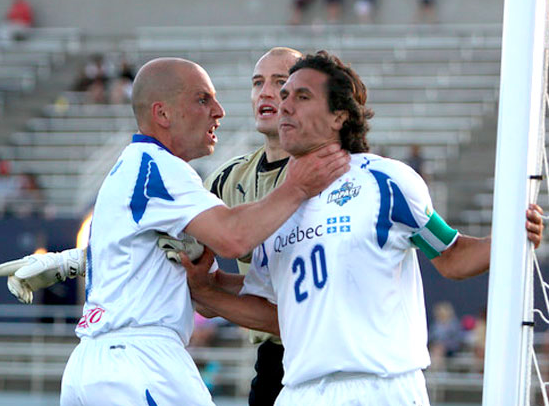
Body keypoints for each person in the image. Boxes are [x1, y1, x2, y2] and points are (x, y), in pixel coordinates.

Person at [182, 50, 545, 406]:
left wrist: (510, 237)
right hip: (298, 390)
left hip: (381, 388)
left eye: (301, 96)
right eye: (284, 94)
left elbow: (452, 256)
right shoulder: (275, 207)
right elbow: (271, 309)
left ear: (339, 115)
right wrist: (208, 291)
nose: (284, 103)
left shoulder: (387, 181)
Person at [4, 56, 349, 406]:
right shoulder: (182, 173)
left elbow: (177, 267)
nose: (219, 111)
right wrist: (298, 188)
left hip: (101, 360)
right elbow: (232, 238)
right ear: (163, 114)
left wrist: (76, 261)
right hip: (141, 358)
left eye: (285, 85)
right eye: (203, 99)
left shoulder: (144, 169)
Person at [203, 47, 302, 406]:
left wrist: (210, 292)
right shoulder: (227, 179)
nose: (265, 92)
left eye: (280, 82)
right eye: (258, 82)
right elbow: (166, 242)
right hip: (273, 360)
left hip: (335, 348)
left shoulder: (335, 174)